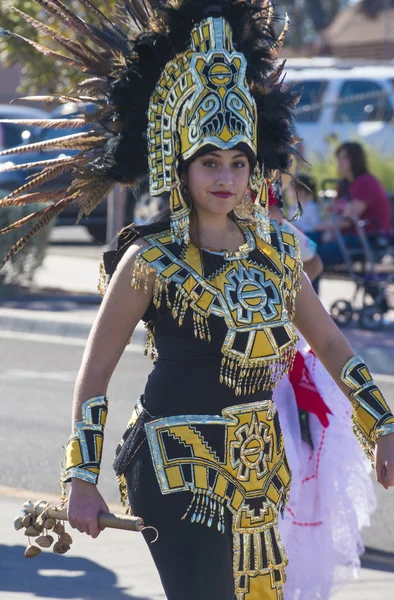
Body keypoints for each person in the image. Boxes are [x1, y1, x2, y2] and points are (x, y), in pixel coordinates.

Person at [1, 3, 394, 600]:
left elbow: (333, 343)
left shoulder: (278, 255)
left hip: (263, 468)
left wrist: (383, 424)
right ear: (181, 169)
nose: (226, 178)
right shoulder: (151, 259)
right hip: (176, 462)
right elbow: (96, 373)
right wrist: (80, 479)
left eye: (239, 163)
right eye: (210, 162)